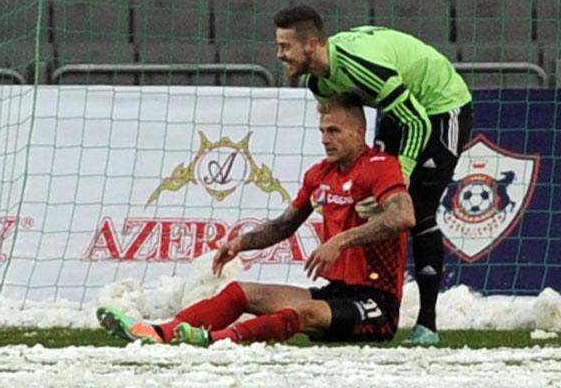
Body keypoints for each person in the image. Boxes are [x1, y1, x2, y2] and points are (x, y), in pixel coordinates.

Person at [97, 93, 415, 346]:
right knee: (241, 292)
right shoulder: (320, 174)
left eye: (334, 131)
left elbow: (403, 215)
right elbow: (284, 225)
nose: (325, 139)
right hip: (336, 292)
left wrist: (341, 240)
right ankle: (161, 332)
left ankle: (214, 340)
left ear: (359, 133)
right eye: (322, 131)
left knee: (304, 313)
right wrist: (240, 244)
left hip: (377, 303)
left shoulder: (380, 166)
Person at [272, 5, 473, 346]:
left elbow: (417, 122)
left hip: (440, 107)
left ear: (311, 45)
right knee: (370, 201)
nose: (279, 55)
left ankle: (427, 323)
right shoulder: (317, 82)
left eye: (285, 46)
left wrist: (401, 177)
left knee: (417, 209)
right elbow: (354, 125)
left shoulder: (361, 68)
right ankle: (362, 299)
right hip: (398, 110)